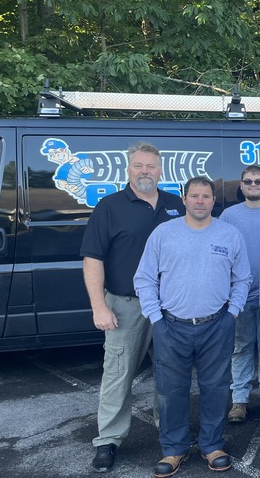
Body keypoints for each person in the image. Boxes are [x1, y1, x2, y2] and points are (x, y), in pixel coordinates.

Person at [133, 177, 251, 478]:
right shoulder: (164, 233)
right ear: (183, 200)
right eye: (194, 196)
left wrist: (232, 314)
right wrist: (156, 319)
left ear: (214, 201)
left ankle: (213, 446)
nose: (201, 201)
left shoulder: (229, 234)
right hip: (171, 325)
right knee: (171, 392)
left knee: (215, 388)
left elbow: (243, 279)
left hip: (216, 324)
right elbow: (144, 278)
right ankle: (174, 450)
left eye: (206, 196)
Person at [81, 142, 184, 473]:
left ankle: (170, 434)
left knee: (171, 375)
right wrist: (99, 306)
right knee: (118, 374)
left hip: (170, 307)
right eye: (138, 165)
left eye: (151, 166)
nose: (145, 171)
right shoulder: (109, 207)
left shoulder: (174, 205)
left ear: (160, 170)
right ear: (128, 170)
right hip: (127, 306)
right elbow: (93, 260)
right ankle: (108, 441)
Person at [220, 166, 260, 423]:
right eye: (248, 181)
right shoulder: (228, 216)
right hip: (239, 295)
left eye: (259, 181)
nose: (254, 185)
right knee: (241, 348)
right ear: (242, 185)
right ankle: (240, 400)